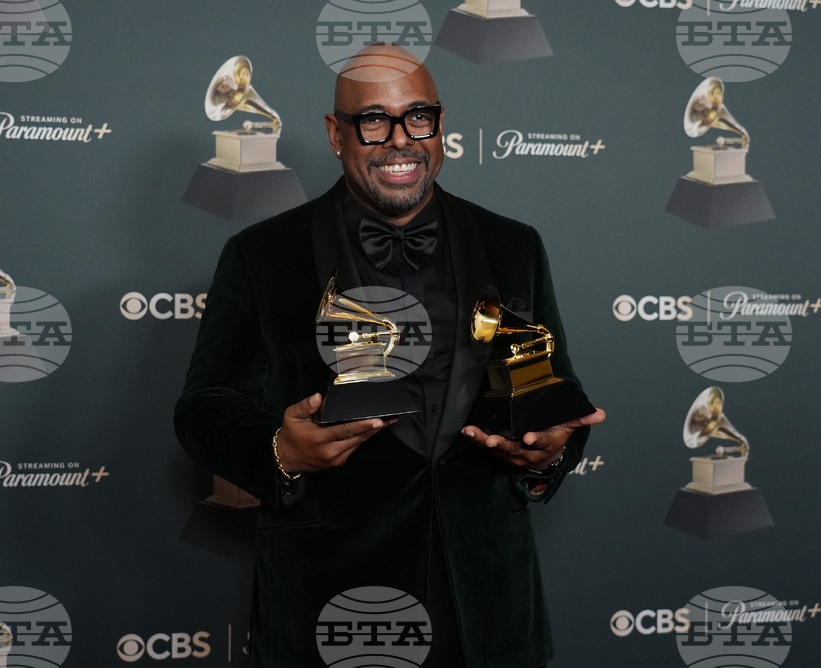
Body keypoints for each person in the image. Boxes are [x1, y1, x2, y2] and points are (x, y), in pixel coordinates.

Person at [175, 44, 605, 668]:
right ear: (335, 133)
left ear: (440, 122)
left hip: (487, 610)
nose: (400, 141)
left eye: (418, 117)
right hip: (332, 606)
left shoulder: (514, 245)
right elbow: (204, 408)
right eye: (373, 120)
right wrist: (280, 450)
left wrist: (550, 449)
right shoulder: (260, 255)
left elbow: (548, 388)